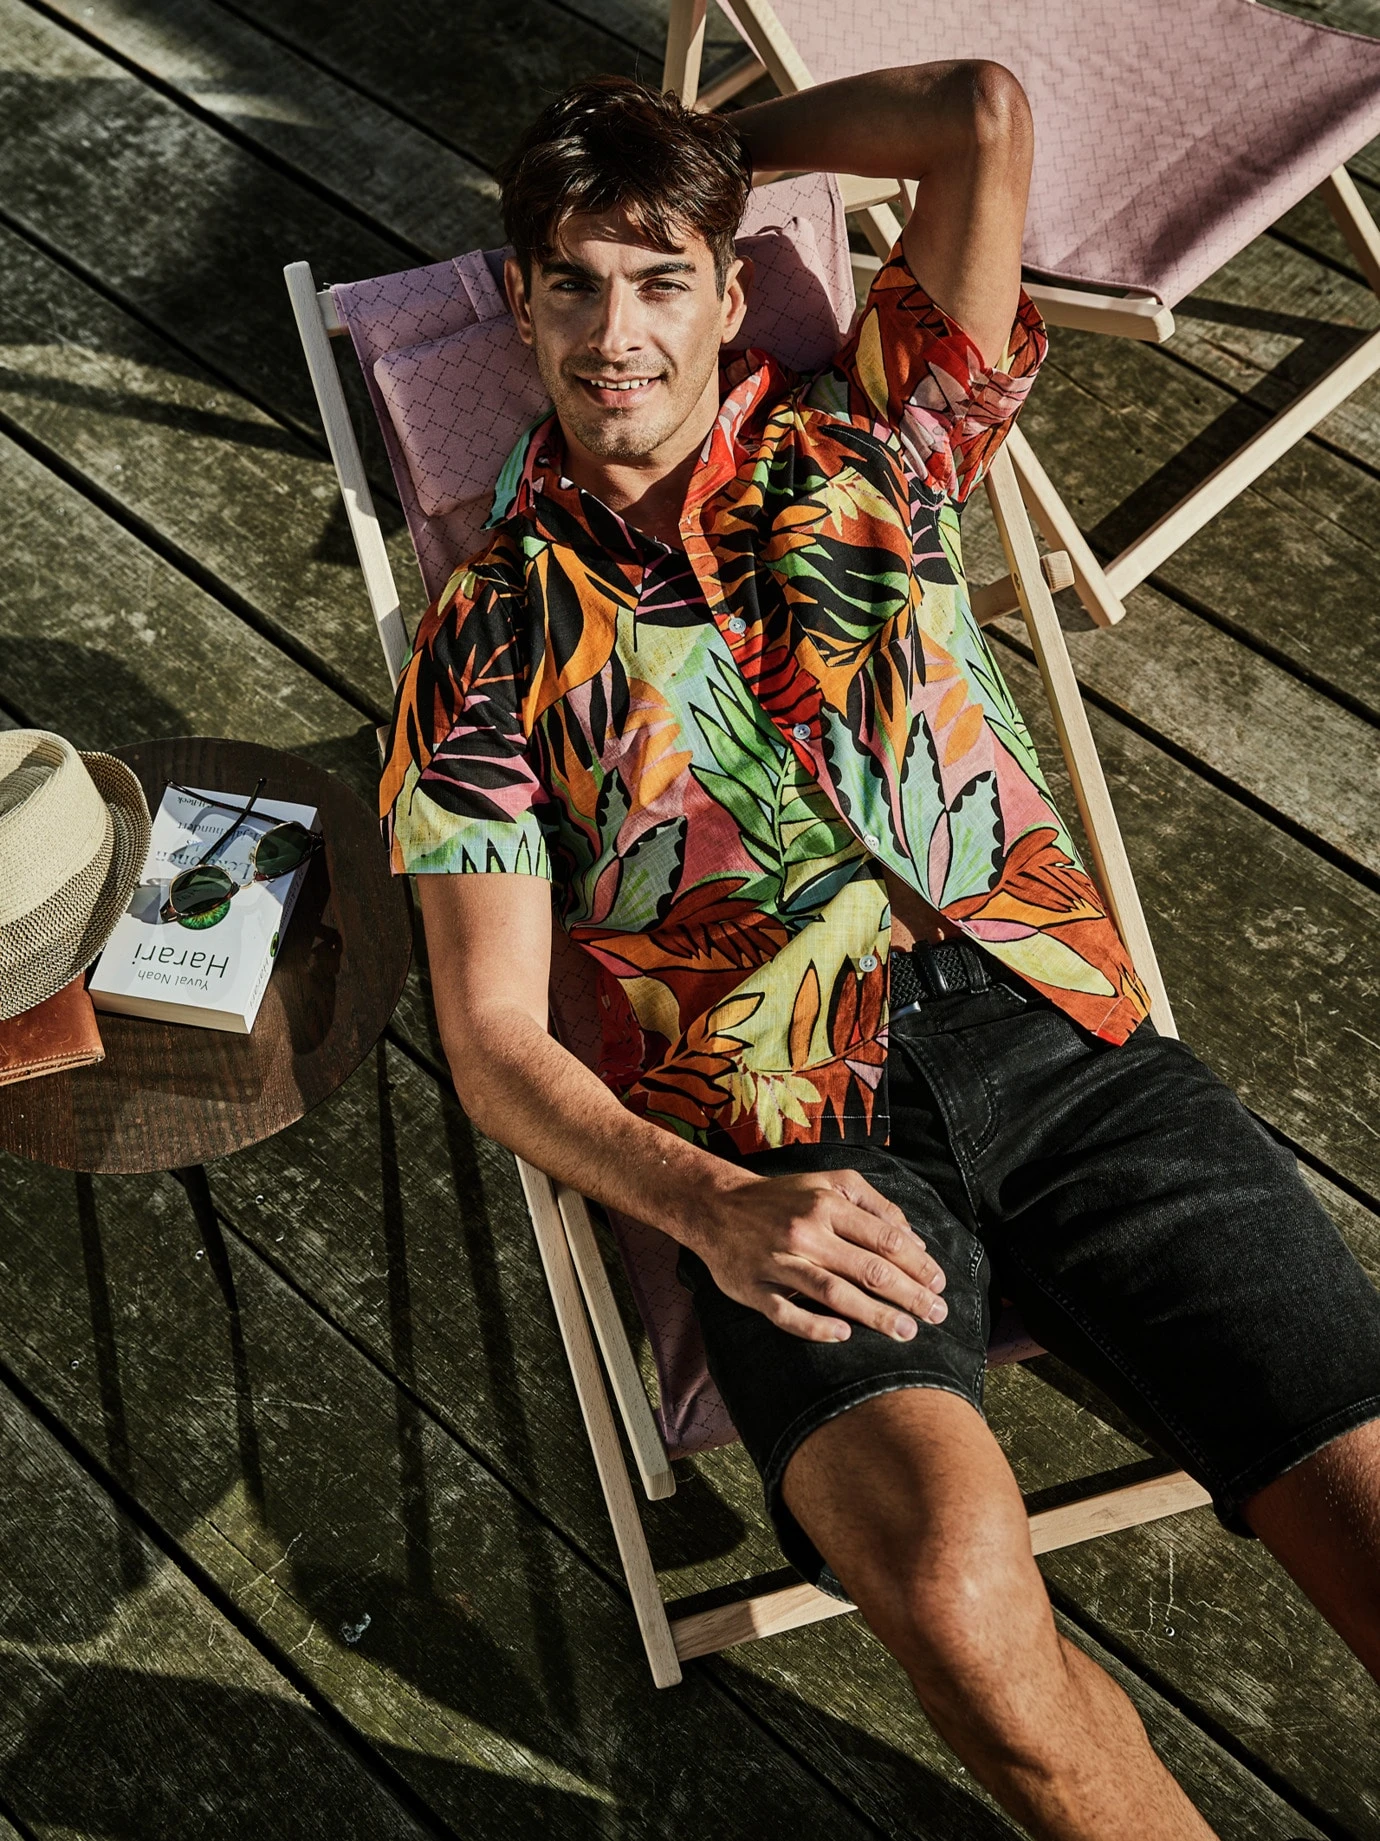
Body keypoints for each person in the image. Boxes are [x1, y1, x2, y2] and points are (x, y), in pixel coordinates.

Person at [379, 68, 1380, 1839]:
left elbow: (978, 118)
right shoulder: (484, 637)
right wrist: (714, 1211)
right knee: (956, 1611)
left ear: (725, 290)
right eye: (575, 285)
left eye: (665, 278)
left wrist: (708, 165)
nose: (617, 332)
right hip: (794, 1146)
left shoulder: (874, 442)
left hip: (1066, 1058)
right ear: (521, 304)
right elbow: (492, 1043)